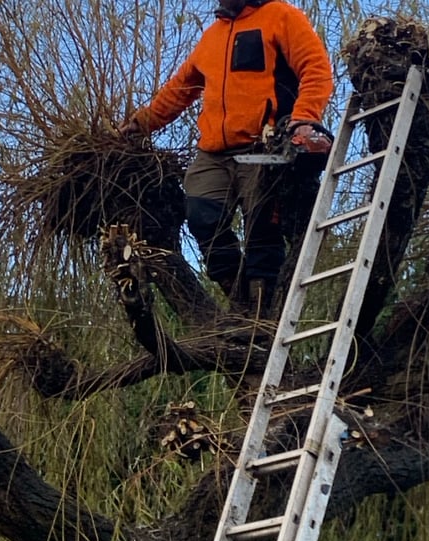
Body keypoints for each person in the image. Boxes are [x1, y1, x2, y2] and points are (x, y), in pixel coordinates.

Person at [120, 0, 333, 313]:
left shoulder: (281, 16)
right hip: (214, 153)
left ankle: (261, 308)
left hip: (262, 144)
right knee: (201, 215)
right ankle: (238, 296)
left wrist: (303, 118)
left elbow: (316, 68)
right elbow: (179, 89)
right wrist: (140, 124)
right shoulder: (212, 37)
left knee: (263, 229)